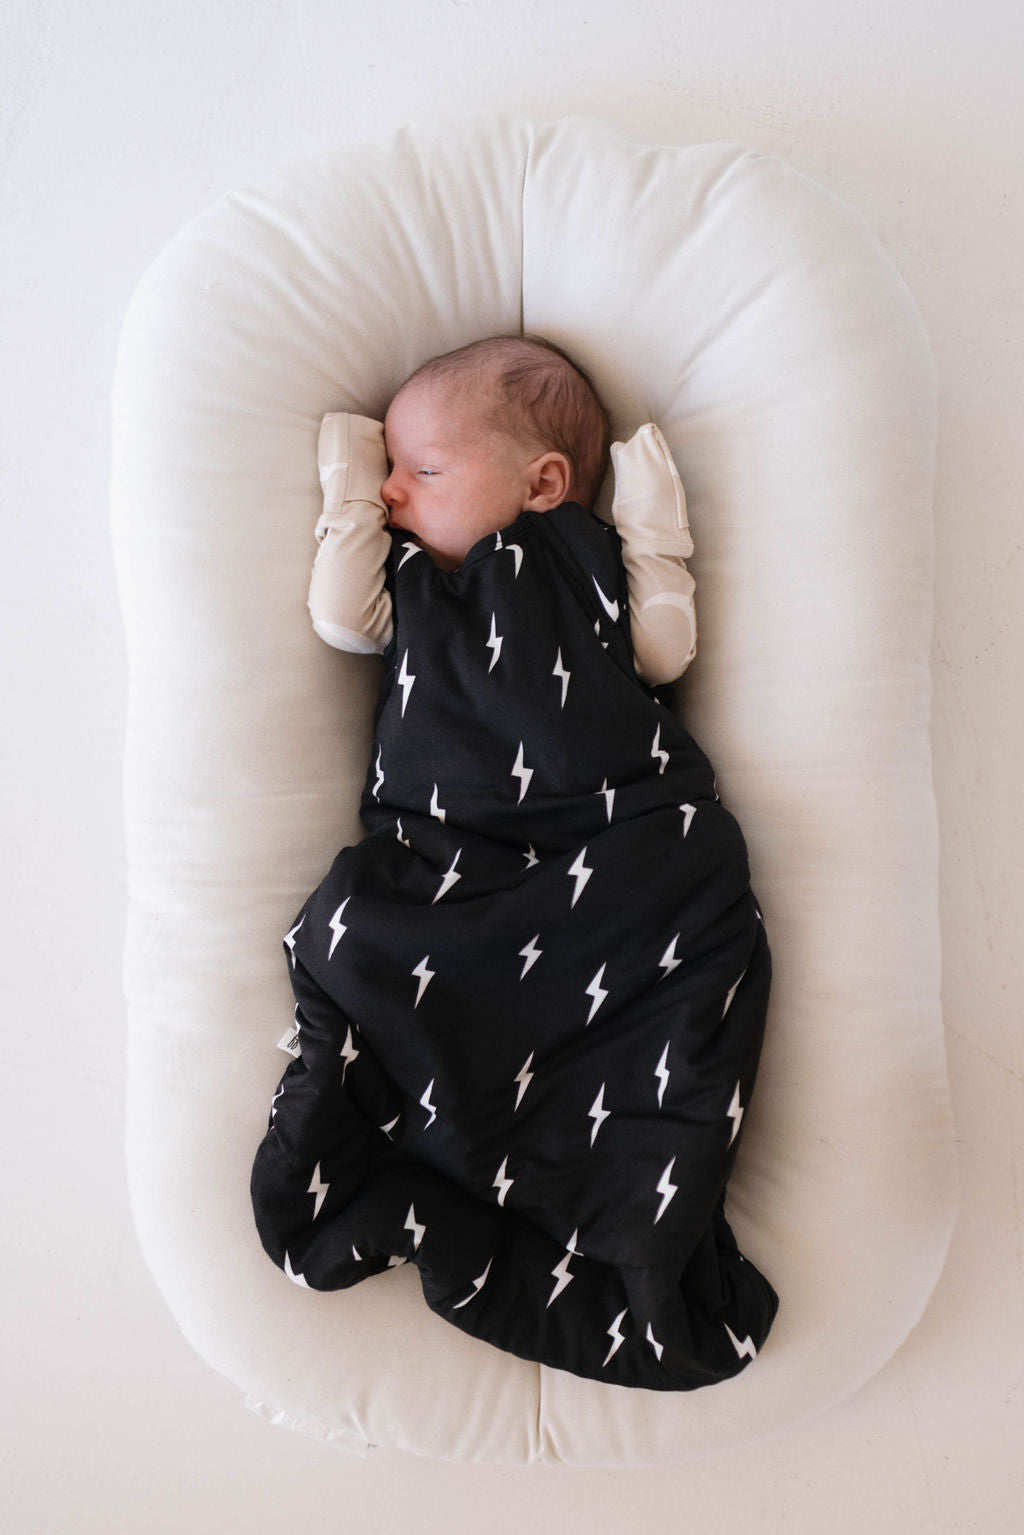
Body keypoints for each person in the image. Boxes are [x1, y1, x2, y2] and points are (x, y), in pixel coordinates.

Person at [250, 334, 777, 1391]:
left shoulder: (584, 562)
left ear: (542, 483)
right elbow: (334, 615)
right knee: (356, 914)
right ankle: (408, 1088)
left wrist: (652, 532)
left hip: (615, 851)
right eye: (394, 476)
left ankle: (599, 1176)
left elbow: (663, 653)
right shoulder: (412, 586)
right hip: (454, 862)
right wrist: (356, 482)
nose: (399, 497)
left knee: (701, 854)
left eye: (424, 473)